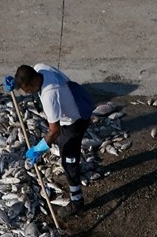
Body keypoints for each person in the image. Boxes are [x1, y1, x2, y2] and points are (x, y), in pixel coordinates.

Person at [10, 64, 94, 210]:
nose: (28, 93)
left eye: (28, 90)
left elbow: (54, 131)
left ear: (36, 82)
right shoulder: (40, 68)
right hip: (74, 99)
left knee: (69, 159)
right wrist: (14, 83)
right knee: (63, 146)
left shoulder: (50, 95)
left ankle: (77, 200)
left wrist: (38, 149)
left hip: (75, 121)